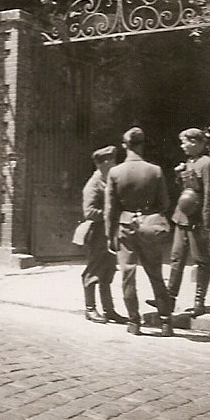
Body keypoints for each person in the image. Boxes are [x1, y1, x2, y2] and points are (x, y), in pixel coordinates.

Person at [104, 127, 174, 336]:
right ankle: (165, 322)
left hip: (125, 226)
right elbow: (164, 203)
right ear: (142, 144)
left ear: (125, 146)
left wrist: (110, 235)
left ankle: (134, 322)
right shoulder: (155, 171)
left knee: (128, 273)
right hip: (149, 226)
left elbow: (110, 209)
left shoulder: (115, 172)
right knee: (156, 274)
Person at [147, 128, 210, 317]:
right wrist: (180, 175)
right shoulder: (190, 162)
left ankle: (199, 302)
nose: (182, 146)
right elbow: (186, 191)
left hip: (197, 221)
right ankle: (168, 299)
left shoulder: (208, 164)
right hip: (182, 218)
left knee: (201, 260)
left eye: (185, 142)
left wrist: (207, 224)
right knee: (176, 258)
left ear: (195, 142)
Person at [81, 145, 126, 324]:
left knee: (107, 271)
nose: (115, 164)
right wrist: (111, 214)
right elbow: (89, 212)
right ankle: (90, 309)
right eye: (112, 161)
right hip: (97, 232)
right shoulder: (93, 184)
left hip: (109, 232)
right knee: (93, 271)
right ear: (104, 163)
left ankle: (109, 310)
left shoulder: (109, 181)